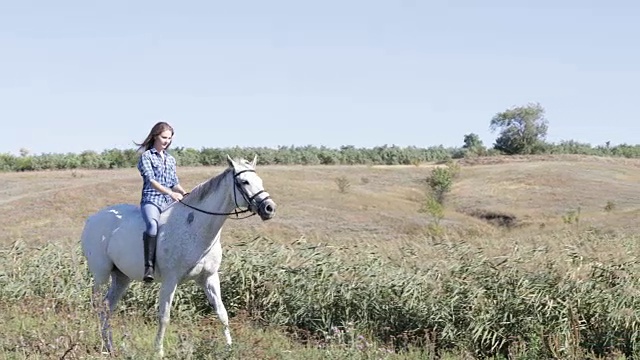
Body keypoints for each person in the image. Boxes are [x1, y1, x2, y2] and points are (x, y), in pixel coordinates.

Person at [135, 121, 188, 282]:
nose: (167, 141)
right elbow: (151, 181)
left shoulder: (171, 159)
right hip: (152, 200)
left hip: (169, 201)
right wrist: (171, 193)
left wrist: (185, 193)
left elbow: (174, 182)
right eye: (164, 137)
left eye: (169, 138)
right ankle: (149, 267)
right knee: (152, 226)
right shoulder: (146, 157)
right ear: (155, 136)